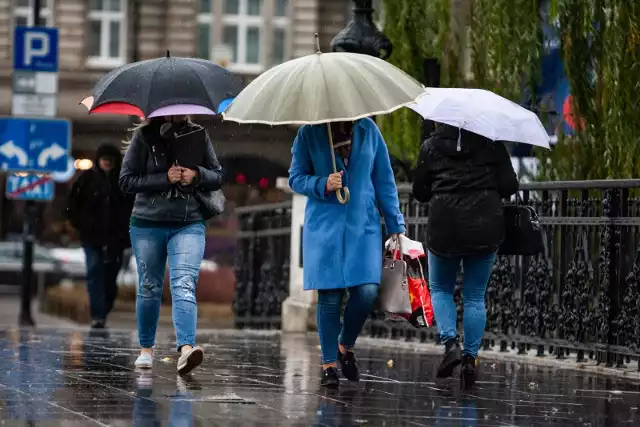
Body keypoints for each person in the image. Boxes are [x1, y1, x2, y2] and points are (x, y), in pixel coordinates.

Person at [289, 118, 405, 388]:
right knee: (329, 296)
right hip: (324, 226)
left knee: (366, 291)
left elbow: (384, 180)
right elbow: (295, 178)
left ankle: (345, 345)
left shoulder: (369, 131)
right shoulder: (309, 133)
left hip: (362, 225)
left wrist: (395, 224)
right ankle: (329, 364)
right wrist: (322, 183)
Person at [412, 123, 518, 387]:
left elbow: (420, 192)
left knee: (440, 289)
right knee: (474, 296)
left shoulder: (430, 147)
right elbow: (509, 185)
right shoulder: (491, 144)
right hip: (484, 227)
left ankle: (450, 345)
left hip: (444, 229)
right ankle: (470, 360)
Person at [119, 115, 223, 375]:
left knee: (184, 282)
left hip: (188, 222)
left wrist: (196, 175)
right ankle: (146, 349)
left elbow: (218, 176)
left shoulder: (199, 134)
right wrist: (165, 177)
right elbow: (126, 181)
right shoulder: (144, 137)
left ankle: (186, 349)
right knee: (149, 286)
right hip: (147, 223)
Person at [67, 143, 134, 329]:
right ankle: (98, 314)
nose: (107, 163)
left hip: (116, 240)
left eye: (110, 160)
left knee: (110, 278)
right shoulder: (86, 180)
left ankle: (104, 309)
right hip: (92, 237)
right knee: (94, 272)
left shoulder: (123, 182)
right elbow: (72, 205)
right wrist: (80, 225)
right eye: (104, 159)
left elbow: (131, 208)